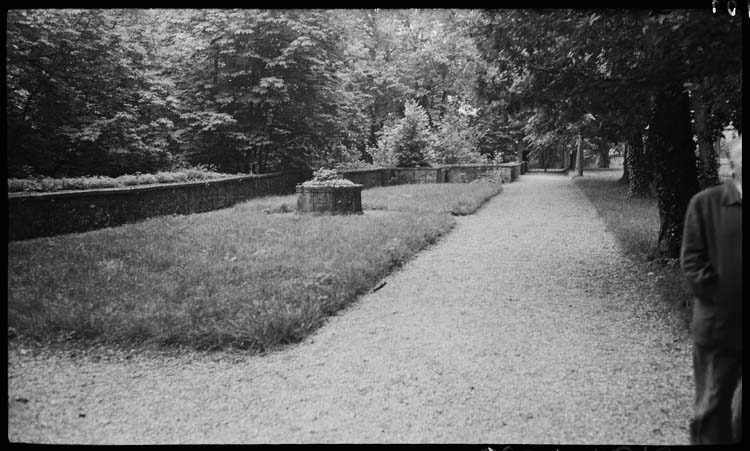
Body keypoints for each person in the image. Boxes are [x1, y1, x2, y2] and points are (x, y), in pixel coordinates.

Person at [680, 138, 742, 444]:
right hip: (720, 329)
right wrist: (722, 297)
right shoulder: (706, 203)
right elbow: (692, 262)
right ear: (733, 166)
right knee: (713, 409)